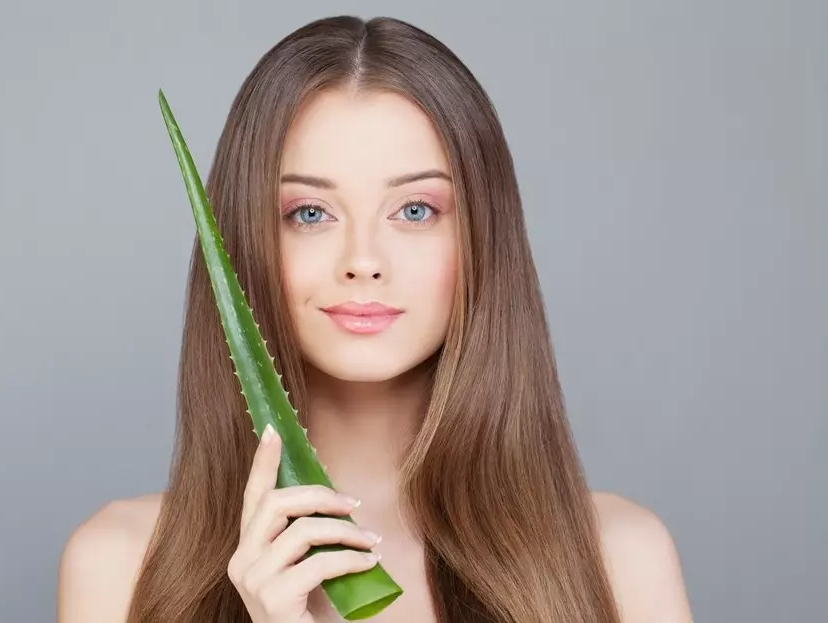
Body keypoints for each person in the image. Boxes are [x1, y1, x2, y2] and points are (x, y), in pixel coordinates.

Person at [57, 15, 693, 623]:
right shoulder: (120, 565)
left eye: (415, 210)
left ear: (481, 238)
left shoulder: (621, 559)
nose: (363, 261)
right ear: (245, 242)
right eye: (310, 213)